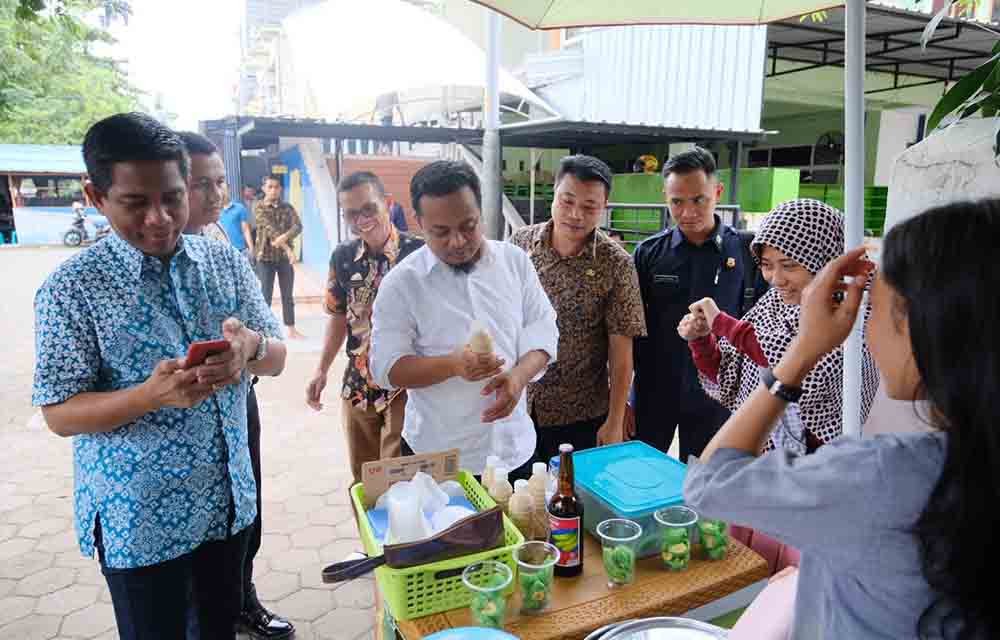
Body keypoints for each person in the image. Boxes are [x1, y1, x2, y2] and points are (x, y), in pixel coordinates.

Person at [684, 199, 1000, 639]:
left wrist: (802, 349)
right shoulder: (771, 310)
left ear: (922, 328)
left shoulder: (881, 473)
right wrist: (705, 343)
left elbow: (709, 482)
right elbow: (735, 376)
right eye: (768, 266)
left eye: (874, 307)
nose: (863, 328)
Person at [32, 113, 287, 640]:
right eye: (135, 203)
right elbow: (59, 414)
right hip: (140, 521)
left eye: (172, 197)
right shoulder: (72, 290)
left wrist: (249, 350)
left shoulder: (223, 262)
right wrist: (149, 396)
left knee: (218, 631)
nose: (159, 218)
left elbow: (277, 358)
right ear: (96, 196)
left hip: (226, 506)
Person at [369, 160, 558, 479]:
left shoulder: (515, 263)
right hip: (439, 457)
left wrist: (518, 377)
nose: (457, 241)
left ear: (481, 213)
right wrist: (452, 365)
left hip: (515, 449)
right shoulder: (402, 284)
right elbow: (386, 368)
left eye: (468, 226)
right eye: (440, 232)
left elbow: (544, 331)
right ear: (419, 222)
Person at [177, 132, 295, 640]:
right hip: (173, 424)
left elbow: (272, 344)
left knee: (244, 515)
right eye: (200, 184)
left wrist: (251, 347)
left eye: (220, 182)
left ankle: (242, 600)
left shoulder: (220, 245)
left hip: (235, 405)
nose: (216, 194)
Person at [679, 199, 879, 452]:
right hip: (762, 456)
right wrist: (701, 340)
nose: (776, 279)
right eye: (766, 265)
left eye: (789, 265)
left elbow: (801, 369)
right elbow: (729, 374)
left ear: (825, 259)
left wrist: (722, 323)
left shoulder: (854, 310)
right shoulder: (775, 302)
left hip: (815, 463)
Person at [631, 147, 766, 460]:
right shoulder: (649, 254)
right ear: (665, 197)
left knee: (705, 477)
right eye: (677, 202)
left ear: (717, 192)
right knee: (642, 472)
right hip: (655, 391)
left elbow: (762, 326)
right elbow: (630, 328)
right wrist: (627, 398)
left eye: (698, 200)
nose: (687, 212)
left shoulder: (748, 252)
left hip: (718, 394)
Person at [510, 155, 645, 463]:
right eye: (567, 201)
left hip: (579, 413)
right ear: (554, 195)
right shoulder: (520, 244)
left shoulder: (617, 263)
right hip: (517, 404)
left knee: (570, 492)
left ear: (604, 206)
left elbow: (621, 352)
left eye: (589, 207)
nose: (575, 215)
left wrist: (614, 421)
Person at [306, 172, 424, 483]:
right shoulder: (343, 257)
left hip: (406, 387)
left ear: (388, 203)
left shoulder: (420, 254)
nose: (361, 220)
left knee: (400, 481)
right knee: (365, 481)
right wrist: (321, 370)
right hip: (357, 386)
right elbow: (337, 316)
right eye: (351, 214)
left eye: (368, 208)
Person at [254, 175, 304, 339]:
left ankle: (291, 329)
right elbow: (270, 230)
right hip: (265, 258)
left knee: (287, 295)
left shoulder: (287, 208)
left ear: (280, 189)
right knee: (265, 294)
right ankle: (263, 330)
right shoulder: (259, 207)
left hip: (283, 259)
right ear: (264, 189)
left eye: (276, 187)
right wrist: (288, 249)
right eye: (270, 187)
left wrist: (284, 237)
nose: (273, 190)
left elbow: (298, 226)